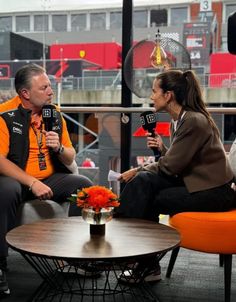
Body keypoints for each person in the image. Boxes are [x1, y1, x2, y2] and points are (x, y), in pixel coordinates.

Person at [117, 69, 235, 283]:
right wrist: (163, 150)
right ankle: (141, 260)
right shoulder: (181, 119)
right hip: (199, 184)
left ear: (168, 95)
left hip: (216, 192)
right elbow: (179, 162)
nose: (151, 97)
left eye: (154, 91)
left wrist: (136, 170)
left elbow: (171, 167)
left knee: (147, 188)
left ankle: (130, 251)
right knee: (145, 185)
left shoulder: (193, 121)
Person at [0, 63, 93, 294]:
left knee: (84, 187)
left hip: (49, 178)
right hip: (17, 179)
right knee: (6, 190)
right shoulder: (4, 115)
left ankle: (72, 256)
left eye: (50, 86)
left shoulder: (54, 113)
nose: (51, 91)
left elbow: (71, 154)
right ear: (25, 94)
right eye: (44, 87)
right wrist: (31, 182)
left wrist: (59, 147)